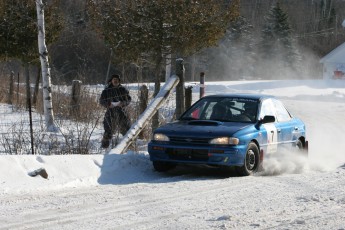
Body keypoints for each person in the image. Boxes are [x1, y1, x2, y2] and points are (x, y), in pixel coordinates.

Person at [99, 74, 131, 148]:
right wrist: (108, 104)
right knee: (107, 129)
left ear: (119, 81)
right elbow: (101, 101)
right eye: (114, 80)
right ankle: (104, 147)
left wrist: (123, 103)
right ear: (111, 81)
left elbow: (128, 100)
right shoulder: (106, 91)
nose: (115, 81)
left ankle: (128, 146)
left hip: (121, 111)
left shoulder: (123, 90)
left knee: (126, 129)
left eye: (117, 80)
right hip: (110, 111)